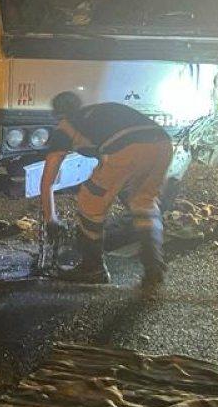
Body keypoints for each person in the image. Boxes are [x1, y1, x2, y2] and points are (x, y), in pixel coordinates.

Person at [39, 91, 173, 285]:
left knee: (89, 202)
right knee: (144, 202)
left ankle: (92, 268)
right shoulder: (96, 113)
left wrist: (51, 218)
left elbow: (48, 180)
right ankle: (154, 267)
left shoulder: (65, 127)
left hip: (126, 146)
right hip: (163, 143)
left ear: (58, 115)